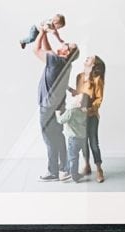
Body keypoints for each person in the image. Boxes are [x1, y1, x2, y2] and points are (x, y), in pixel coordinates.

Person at [33, 27, 80, 181]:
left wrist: (40, 32)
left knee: (49, 139)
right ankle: (64, 169)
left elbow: (37, 49)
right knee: (58, 136)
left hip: (47, 107)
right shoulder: (65, 63)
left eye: (67, 45)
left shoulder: (55, 61)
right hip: (58, 105)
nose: (64, 43)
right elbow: (48, 50)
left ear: (66, 53)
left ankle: (53, 172)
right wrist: (45, 32)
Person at [74, 55, 106, 183]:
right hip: (80, 116)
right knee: (83, 142)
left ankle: (99, 169)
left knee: (93, 142)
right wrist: (75, 95)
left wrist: (90, 109)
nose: (86, 58)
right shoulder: (79, 77)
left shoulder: (98, 80)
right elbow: (79, 95)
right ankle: (87, 166)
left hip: (92, 116)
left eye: (90, 58)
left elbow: (99, 99)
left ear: (94, 65)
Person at [58, 92, 92, 182]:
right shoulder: (86, 112)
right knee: (79, 155)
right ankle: (71, 171)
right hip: (83, 138)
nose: (75, 97)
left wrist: (57, 114)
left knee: (73, 157)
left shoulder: (72, 111)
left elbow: (61, 120)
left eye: (77, 97)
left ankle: (73, 174)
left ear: (79, 102)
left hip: (73, 139)